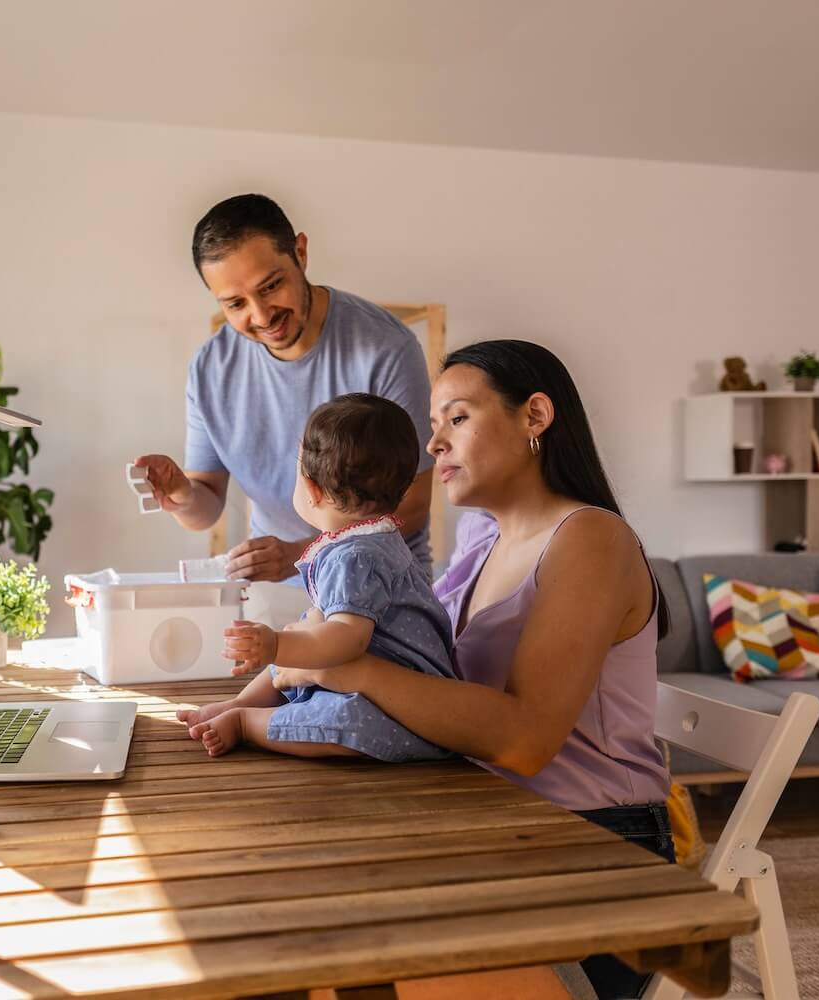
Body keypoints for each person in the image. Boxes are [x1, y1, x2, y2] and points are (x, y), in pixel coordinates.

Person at [269, 340, 672, 1000]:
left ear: (534, 416)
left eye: (456, 418)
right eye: (433, 428)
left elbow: (525, 740)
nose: (434, 446)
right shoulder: (483, 538)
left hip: (594, 853)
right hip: (493, 821)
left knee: (321, 949)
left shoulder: (590, 539)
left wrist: (355, 670)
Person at [133, 194, 434, 626]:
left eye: (271, 286)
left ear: (301, 252)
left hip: (381, 596)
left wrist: (299, 554)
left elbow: (414, 504)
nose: (261, 315)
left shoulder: (385, 348)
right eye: (235, 304)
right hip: (273, 602)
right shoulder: (210, 369)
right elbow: (206, 506)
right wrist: (181, 493)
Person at [174, 393, 455, 762]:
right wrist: (292, 640)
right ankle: (240, 703)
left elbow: (346, 641)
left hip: (400, 702)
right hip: (380, 675)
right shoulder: (371, 539)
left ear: (311, 490)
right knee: (301, 634)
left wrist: (275, 645)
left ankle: (247, 723)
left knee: (341, 719)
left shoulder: (356, 556)